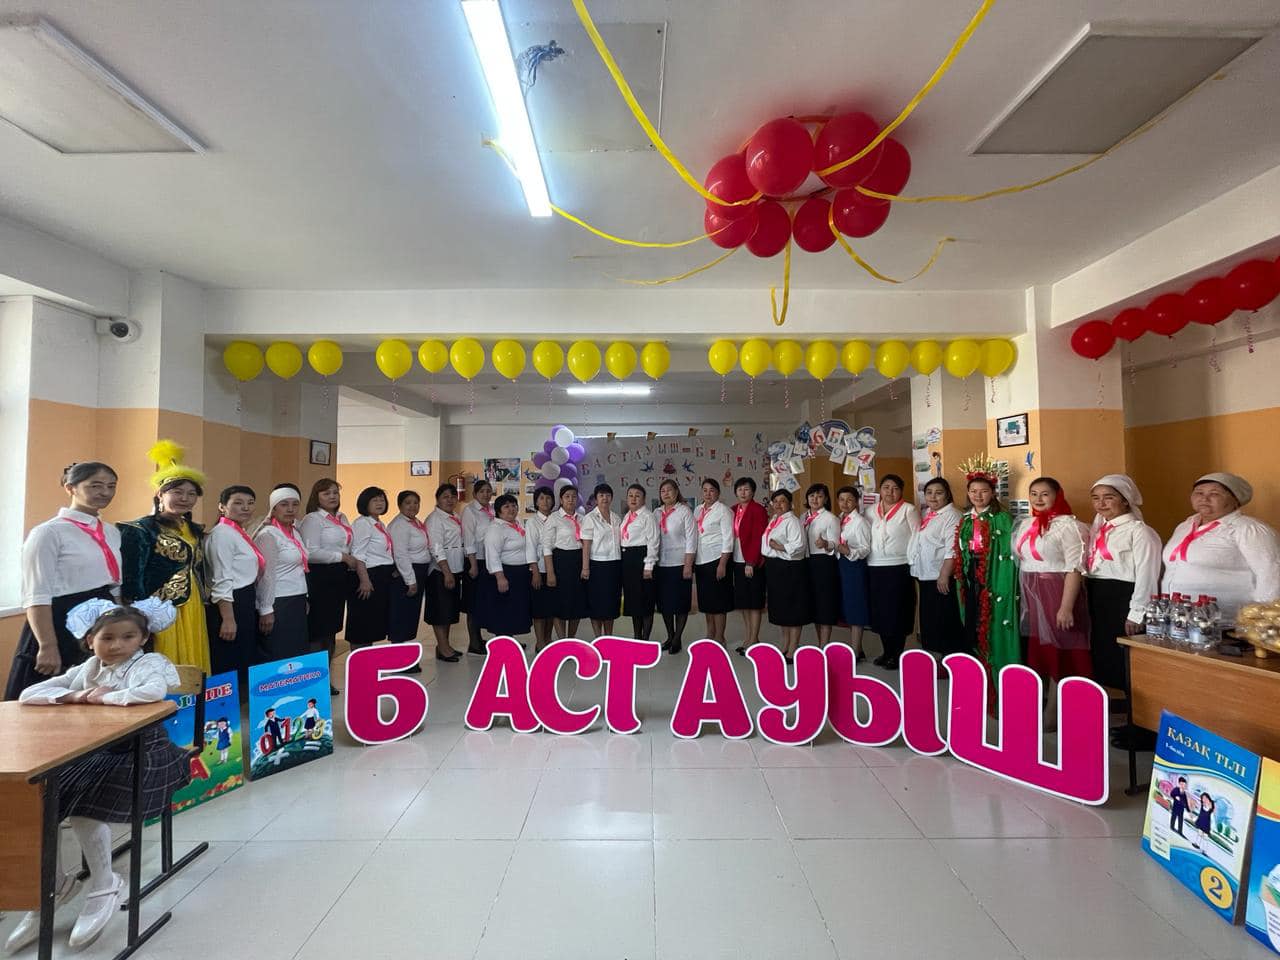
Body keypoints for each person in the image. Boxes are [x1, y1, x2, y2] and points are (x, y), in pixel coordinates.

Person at [9, 598, 187, 953]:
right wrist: (75, 694)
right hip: (98, 751)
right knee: (39, 803)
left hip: (145, 754)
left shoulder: (148, 664)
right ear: (90, 640)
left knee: (84, 810)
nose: (117, 645)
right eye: (107, 638)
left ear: (143, 638)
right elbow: (29, 693)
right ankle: (53, 887)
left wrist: (104, 697)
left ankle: (105, 884)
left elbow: (152, 692)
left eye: (128, 637)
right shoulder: (89, 667)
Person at [6, 462, 122, 700]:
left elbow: (114, 583)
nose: (105, 492)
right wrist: (47, 645)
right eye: (95, 486)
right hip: (61, 618)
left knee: (95, 692)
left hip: (101, 616)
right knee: (52, 693)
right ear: (71, 488)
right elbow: (36, 594)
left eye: (111, 486)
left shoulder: (111, 531)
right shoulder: (49, 532)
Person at [119, 441, 210, 673]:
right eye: (177, 492)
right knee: (164, 660)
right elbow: (132, 576)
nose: (185, 498)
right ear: (160, 494)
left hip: (193, 605)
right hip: (160, 607)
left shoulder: (195, 530)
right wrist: (139, 612)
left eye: (191, 494)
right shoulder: (141, 529)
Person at [1013, 477, 1091, 723]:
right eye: (1033, 493)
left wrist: (1066, 607)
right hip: (1031, 592)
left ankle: (1056, 709)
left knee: (1061, 648)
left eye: (1045, 494)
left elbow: (1074, 568)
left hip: (1055, 591)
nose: (1038, 499)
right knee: (1041, 649)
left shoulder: (1068, 526)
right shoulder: (1026, 523)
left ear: (1057, 495)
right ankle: (1043, 699)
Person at [1161, 472, 1280, 624]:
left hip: (1226, 622)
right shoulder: (1185, 526)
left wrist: (1260, 619)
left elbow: (1271, 574)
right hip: (1179, 618)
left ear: (1235, 500)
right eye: (1199, 493)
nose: (1204, 498)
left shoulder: (1248, 529)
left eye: (1214, 494)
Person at [942, 457, 1019, 679]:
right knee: (973, 619)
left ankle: (998, 670)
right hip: (970, 573)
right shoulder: (967, 518)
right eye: (973, 491)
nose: (978, 495)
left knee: (993, 618)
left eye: (983, 491)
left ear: (992, 493)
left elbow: (1006, 554)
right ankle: (977, 667)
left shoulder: (1002, 518)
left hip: (993, 573)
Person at [1085, 474, 1162, 692]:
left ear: (1125, 500)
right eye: (1096, 498)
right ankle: (1107, 699)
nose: (1101, 503)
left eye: (1109, 497)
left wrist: (1137, 612)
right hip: (1097, 593)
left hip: (1122, 596)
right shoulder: (1098, 529)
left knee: (1122, 654)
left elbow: (1148, 573)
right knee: (1101, 651)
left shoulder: (1140, 531)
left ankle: (1130, 704)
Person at [298, 478, 361, 693]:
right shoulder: (313, 519)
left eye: (335, 492)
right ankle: (314, 681)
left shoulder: (341, 517)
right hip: (320, 577)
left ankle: (325, 677)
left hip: (339, 577)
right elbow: (310, 553)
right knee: (319, 630)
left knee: (331, 630)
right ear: (316, 497)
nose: (332, 496)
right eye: (326, 493)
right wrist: (342, 557)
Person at [205, 484, 263, 687]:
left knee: (243, 655)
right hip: (230, 602)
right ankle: (227, 702)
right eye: (238, 503)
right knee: (229, 658)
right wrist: (228, 619)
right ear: (222, 507)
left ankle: (240, 699)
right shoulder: (222, 534)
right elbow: (221, 578)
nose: (245, 508)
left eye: (250, 503)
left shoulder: (237, 532)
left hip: (244, 597)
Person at [866, 474, 920, 670]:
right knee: (881, 611)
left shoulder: (909, 510)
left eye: (895, 488)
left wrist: (913, 562)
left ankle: (897, 654)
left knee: (898, 611)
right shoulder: (870, 511)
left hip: (899, 566)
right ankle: (887, 651)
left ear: (901, 491)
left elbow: (917, 537)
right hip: (875, 566)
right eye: (886, 487)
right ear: (880, 490)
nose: (890, 491)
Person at [253, 484, 311, 662]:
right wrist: (265, 609)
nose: (290, 509)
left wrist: (304, 597)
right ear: (274, 508)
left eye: (295, 504)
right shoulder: (268, 535)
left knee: (296, 652)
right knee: (279, 652)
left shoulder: (294, 532)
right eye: (284, 504)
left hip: (296, 598)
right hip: (278, 601)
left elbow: (298, 568)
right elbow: (266, 575)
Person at [908, 478, 964, 659]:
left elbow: (952, 548)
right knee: (930, 618)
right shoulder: (928, 513)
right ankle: (935, 657)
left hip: (940, 576)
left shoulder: (952, 515)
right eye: (929, 493)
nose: (933, 497)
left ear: (947, 495)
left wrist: (944, 574)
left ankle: (949, 659)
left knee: (944, 619)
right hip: (926, 575)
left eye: (938, 493)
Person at [762, 489, 809, 661]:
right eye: (775, 501)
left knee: (792, 609)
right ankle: (786, 644)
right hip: (775, 567)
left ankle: (793, 647)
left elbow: (799, 546)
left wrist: (779, 547)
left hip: (790, 568)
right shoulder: (775, 519)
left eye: (782, 501)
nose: (778, 504)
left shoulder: (793, 521)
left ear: (790, 504)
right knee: (781, 609)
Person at [347, 486, 396, 650]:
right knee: (362, 624)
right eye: (374, 500)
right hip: (368, 576)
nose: (379, 503)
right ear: (364, 503)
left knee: (372, 624)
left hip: (381, 576)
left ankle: (367, 657)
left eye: (382, 499)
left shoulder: (378, 523)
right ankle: (358, 659)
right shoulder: (363, 523)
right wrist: (365, 580)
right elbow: (358, 554)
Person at [479, 494, 533, 640]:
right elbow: (492, 554)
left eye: (514, 505)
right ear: (498, 510)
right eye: (506, 506)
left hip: (519, 574)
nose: (511, 509)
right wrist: (500, 577)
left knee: (513, 612)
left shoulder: (517, 523)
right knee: (503, 612)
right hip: (505, 574)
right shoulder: (496, 528)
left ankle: (510, 641)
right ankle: (502, 644)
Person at [655, 479, 697, 654]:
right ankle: (670, 636)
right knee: (665, 604)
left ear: (676, 492)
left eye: (669, 490)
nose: (666, 493)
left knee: (680, 603)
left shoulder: (684, 511)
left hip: (680, 564)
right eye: (663, 491)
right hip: (661, 564)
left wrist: (688, 565)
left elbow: (692, 540)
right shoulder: (656, 512)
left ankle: (677, 639)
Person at [388, 490, 432, 654]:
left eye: (416, 502)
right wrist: (410, 580)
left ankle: (405, 655)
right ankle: (398, 657)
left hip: (418, 571)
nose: (412, 506)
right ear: (399, 505)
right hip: (407, 574)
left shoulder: (415, 522)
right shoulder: (400, 525)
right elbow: (400, 554)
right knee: (401, 616)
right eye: (408, 503)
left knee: (410, 616)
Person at [424, 483, 464, 661]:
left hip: (455, 568)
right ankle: (443, 647)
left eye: (452, 496)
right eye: (445, 497)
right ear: (437, 499)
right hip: (440, 571)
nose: (450, 500)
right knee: (440, 611)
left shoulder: (455, 516)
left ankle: (444, 646)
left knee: (449, 611)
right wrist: (446, 572)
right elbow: (436, 548)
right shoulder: (435, 519)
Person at [694, 479, 735, 646]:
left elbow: (728, 539)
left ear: (718, 493)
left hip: (717, 559)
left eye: (712, 490)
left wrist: (722, 564)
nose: (708, 494)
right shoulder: (698, 510)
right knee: (707, 602)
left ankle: (720, 637)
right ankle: (710, 634)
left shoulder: (723, 511)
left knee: (719, 602)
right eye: (705, 490)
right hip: (701, 560)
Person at [543, 484, 589, 639]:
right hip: (561, 562)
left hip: (578, 561)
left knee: (576, 603)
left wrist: (585, 566)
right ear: (561, 500)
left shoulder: (582, 519)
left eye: (574, 497)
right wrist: (550, 572)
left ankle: (571, 638)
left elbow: (586, 542)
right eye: (567, 497)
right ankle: (562, 640)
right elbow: (547, 547)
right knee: (560, 603)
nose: (571, 500)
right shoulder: (554, 518)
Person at [731, 477, 769, 656]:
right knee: (744, 602)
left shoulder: (758, 510)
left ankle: (754, 638)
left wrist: (751, 562)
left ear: (753, 492)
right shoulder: (733, 509)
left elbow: (758, 537)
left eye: (746, 489)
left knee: (754, 603)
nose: (743, 492)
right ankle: (749, 637)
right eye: (740, 489)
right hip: (737, 561)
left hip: (751, 562)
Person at [581, 483, 624, 637]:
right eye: (601, 495)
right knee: (597, 604)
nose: (604, 498)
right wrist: (585, 567)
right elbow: (586, 545)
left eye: (607, 495)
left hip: (615, 564)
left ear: (611, 497)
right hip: (597, 566)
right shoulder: (590, 518)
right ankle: (598, 637)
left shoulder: (616, 518)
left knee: (611, 603)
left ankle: (608, 636)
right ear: (596, 499)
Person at [620, 483, 660, 645]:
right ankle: (637, 638)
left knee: (645, 602)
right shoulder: (627, 516)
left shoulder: (647, 516)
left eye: (637, 495)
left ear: (644, 499)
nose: (633, 498)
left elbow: (653, 542)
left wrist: (649, 566)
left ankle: (645, 640)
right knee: (634, 603)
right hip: (628, 562)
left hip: (642, 560)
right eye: (630, 495)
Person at [835, 485, 872, 659]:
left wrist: (849, 552)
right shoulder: (839, 519)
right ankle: (858, 648)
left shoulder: (860, 522)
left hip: (855, 566)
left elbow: (865, 548)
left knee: (856, 606)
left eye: (849, 500)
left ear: (857, 502)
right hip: (841, 565)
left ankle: (856, 650)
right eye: (842, 499)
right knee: (848, 606)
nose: (845, 503)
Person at [803, 483, 841, 647]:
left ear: (825, 499)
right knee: (814, 605)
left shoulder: (831, 518)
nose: (815, 499)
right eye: (812, 496)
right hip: (807, 562)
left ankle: (824, 645)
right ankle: (820, 643)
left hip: (824, 563)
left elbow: (836, 543)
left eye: (819, 496)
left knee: (824, 604)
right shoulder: (803, 517)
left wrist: (826, 543)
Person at [461, 480, 496, 655]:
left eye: (488, 491)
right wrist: (473, 564)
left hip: (490, 561)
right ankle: (474, 643)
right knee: (473, 602)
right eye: (482, 491)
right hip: (476, 561)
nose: (485, 494)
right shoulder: (469, 511)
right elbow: (468, 539)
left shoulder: (492, 510)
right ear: (475, 494)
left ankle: (483, 639)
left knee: (485, 600)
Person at [525, 486, 559, 651]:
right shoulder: (532, 522)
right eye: (541, 498)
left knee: (552, 608)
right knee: (539, 609)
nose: (545, 501)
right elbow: (530, 547)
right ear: (536, 502)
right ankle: (540, 641)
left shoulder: (557, 519)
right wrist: (535, 573)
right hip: (539, 569)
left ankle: (548, 638)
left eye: (548, 498)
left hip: (555, 569)